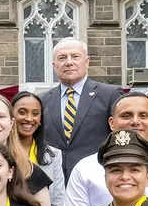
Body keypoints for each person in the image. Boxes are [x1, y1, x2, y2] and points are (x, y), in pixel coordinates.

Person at [37, 38, 122, 179]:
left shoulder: (110, 95)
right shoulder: (42, 101)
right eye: (62, 58)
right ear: (54, 65)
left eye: (75, 56)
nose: (69, 62)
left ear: (87, 61)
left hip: (97, 180)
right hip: (55, 183)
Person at [12, 91, 67, 206]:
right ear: (11, 116)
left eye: (35, 113)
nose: (29, 119)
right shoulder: (0, 155)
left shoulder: (54, 156)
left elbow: (58, 203)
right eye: (22, 112)